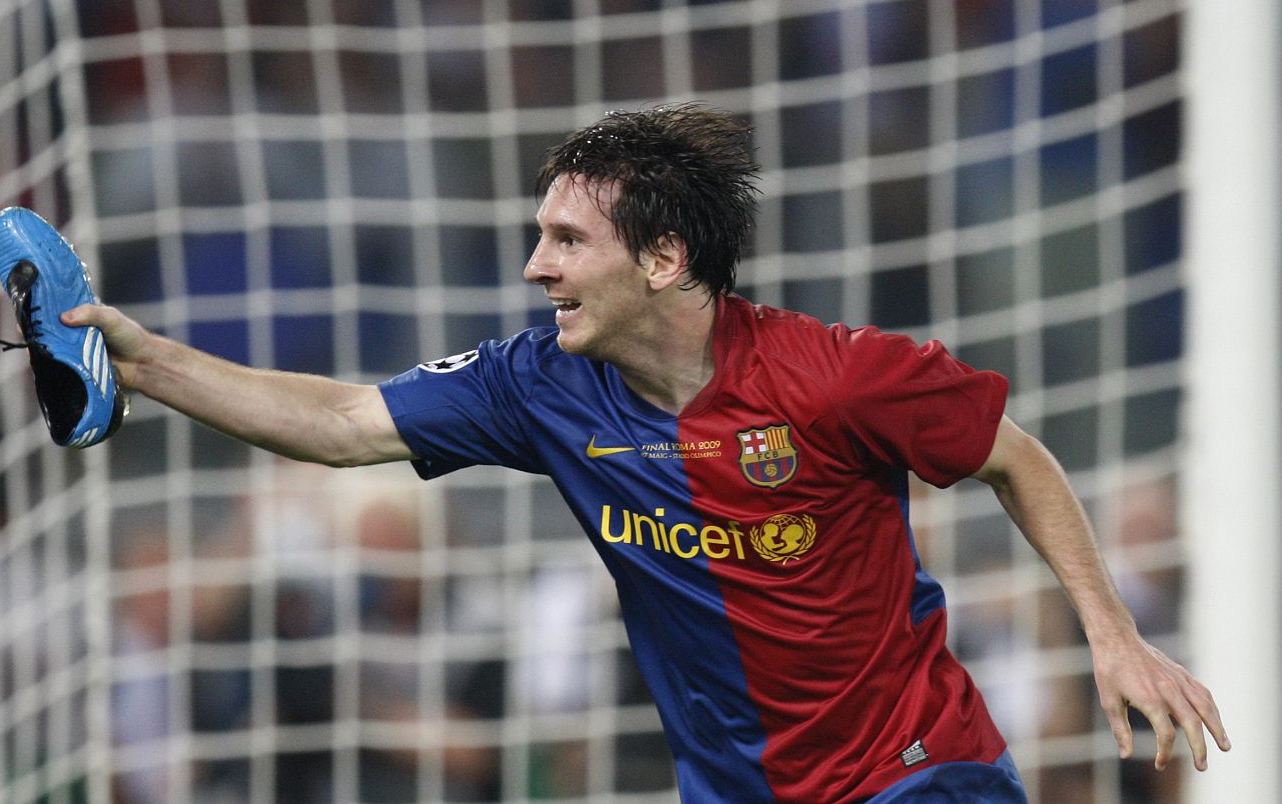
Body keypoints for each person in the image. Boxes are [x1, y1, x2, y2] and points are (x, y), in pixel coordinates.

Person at [60, 104, 1227, 803]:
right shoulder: (541, 385)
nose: (536, 265)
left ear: (663, 260)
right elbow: (342, 419)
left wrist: (1110, 631)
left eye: (567, 238)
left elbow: (1012, 453)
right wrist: (143, 356)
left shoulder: (839, 372)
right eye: (538, 235)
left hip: (914, 770)